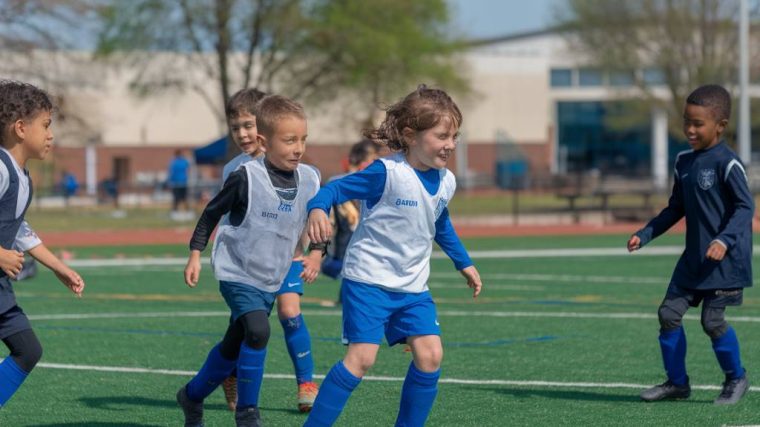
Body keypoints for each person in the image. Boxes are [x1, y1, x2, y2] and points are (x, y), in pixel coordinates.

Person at [303, 85, 483, 426]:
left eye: (455, 136)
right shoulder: (386, 172)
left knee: (430, 356)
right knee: (361, 359)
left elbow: (440, 223)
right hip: (369, 280)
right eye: (443, 135)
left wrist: (465, 263)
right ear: (410, 135)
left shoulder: (447, 181)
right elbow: (334, 189)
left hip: (413, 287)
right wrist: (316, 209)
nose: (451, 144)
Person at [178, 94, 322, 427]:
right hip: (238, 268)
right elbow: (213, 212)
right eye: (290, 140)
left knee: (238, 339)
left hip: (276, 267)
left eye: (302, 139)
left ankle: (193, 395)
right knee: (258, 330)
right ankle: (248, 415)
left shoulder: (308, 176)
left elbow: (319, 212)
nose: (298, 147)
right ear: (266, 140)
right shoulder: (241, 173)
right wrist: (195, 254)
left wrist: (317, 250)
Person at [628, 84, 752, 405]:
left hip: (724, 262)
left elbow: (745, 208)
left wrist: (724, 240)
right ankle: (677, 383)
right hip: (693, 260)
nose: (690, 130)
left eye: (698, 124)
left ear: (720, 126)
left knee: (711, 322)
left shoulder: (729, 163)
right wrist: (646, 233)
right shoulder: (683, 161)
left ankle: (736, 378)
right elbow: (675, 208)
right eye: (687, 122)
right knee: (668, 314)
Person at [217, 88, 322, 414]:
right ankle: (230, 374)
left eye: (248, 125)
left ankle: (305, 383)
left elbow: (310, 207)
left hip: (287, 258)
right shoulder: (235, 170)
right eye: (236, 128)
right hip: (248, 266)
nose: (243, 134)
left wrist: (313, 247)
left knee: (290, 313)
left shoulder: (296, 166)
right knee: (246, 324)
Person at [0, 80, 85, 408]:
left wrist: (59, 268)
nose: (51, 135)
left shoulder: (22, 176)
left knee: (28, 349)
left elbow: (20, 229)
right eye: (46, 126)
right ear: (21, 128)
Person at [321, 140, 379, 299]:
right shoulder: (342, 181)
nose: (375, 163)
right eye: (372, 158)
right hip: (338, 255)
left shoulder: (377, 181)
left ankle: (346, 295)